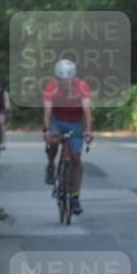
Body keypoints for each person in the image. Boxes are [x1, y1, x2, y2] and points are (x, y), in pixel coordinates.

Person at [43, 60, 93, 215]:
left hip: (75, 122)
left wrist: (88, 130)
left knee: (76, 158)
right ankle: (51, 164)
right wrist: (47, 130)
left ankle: (75, 197)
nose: (65, 84)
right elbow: (47, 111)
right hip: (57, 120)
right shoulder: (51, 86)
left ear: (74, 79)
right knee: (54, 142)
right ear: (56, 79)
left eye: (69, 81)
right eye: (62, 81)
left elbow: (87, 109)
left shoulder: (82, 86)